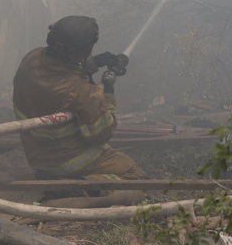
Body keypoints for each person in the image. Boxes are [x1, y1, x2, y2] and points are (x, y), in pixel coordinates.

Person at [12, 15, 144, 179]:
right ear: (83, 51)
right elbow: (101, 134)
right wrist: (108, 94)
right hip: (69, 161)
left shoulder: (31, 59)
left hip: (36, 155)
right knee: (135, 174)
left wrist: (94, 62)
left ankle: (56, 179)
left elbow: (59, 65)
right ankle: (81, 186)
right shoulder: (79, 91)